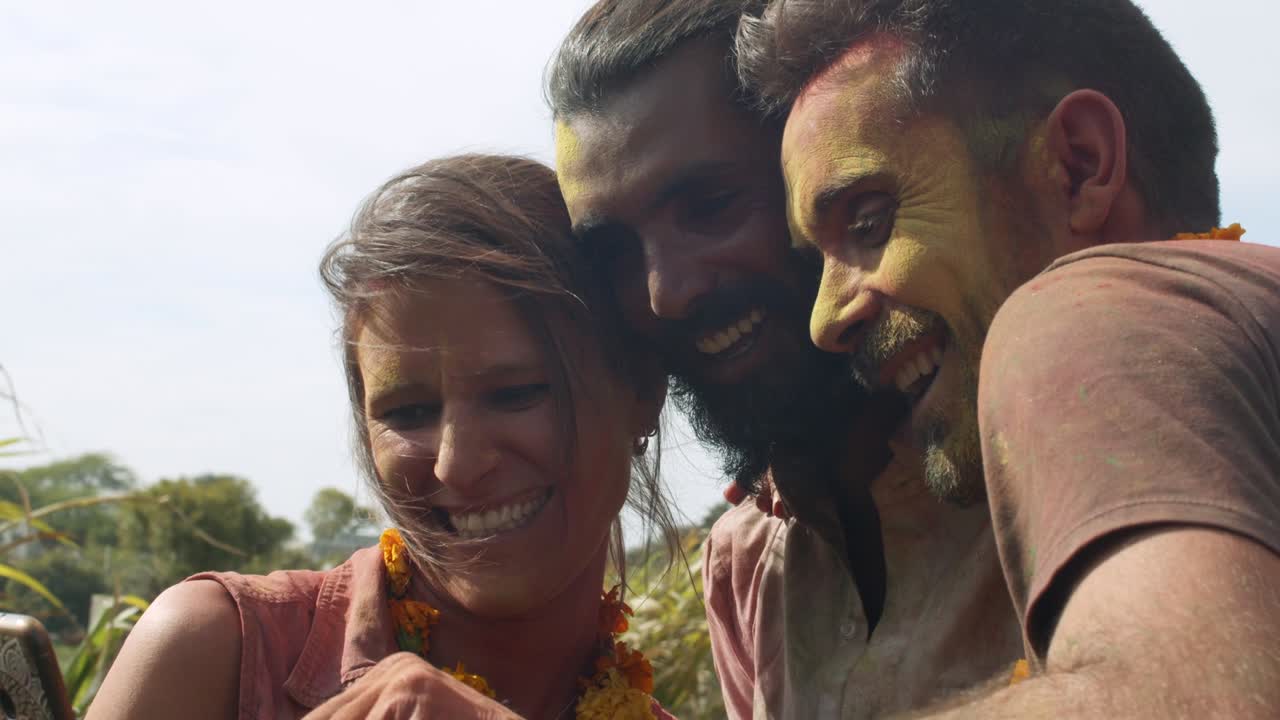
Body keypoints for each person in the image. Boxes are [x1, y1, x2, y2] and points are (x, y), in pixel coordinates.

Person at [735, 0, 1280, 716]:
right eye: (818, 261)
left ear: (1078, 166)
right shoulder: (1237, 318)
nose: (824, 321)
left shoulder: (1088, 307)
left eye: (870, 222)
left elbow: (1201, 697)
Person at [548, 2, 1022, 718]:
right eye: (613, 254)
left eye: (710, 204)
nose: (666, 292)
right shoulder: (745, 569)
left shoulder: (1047, 454)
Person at [87, 155, 679, 720]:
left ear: (641, 393)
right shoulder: (220, 648)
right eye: (409, 411)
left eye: (517, 393)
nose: (457, 464)